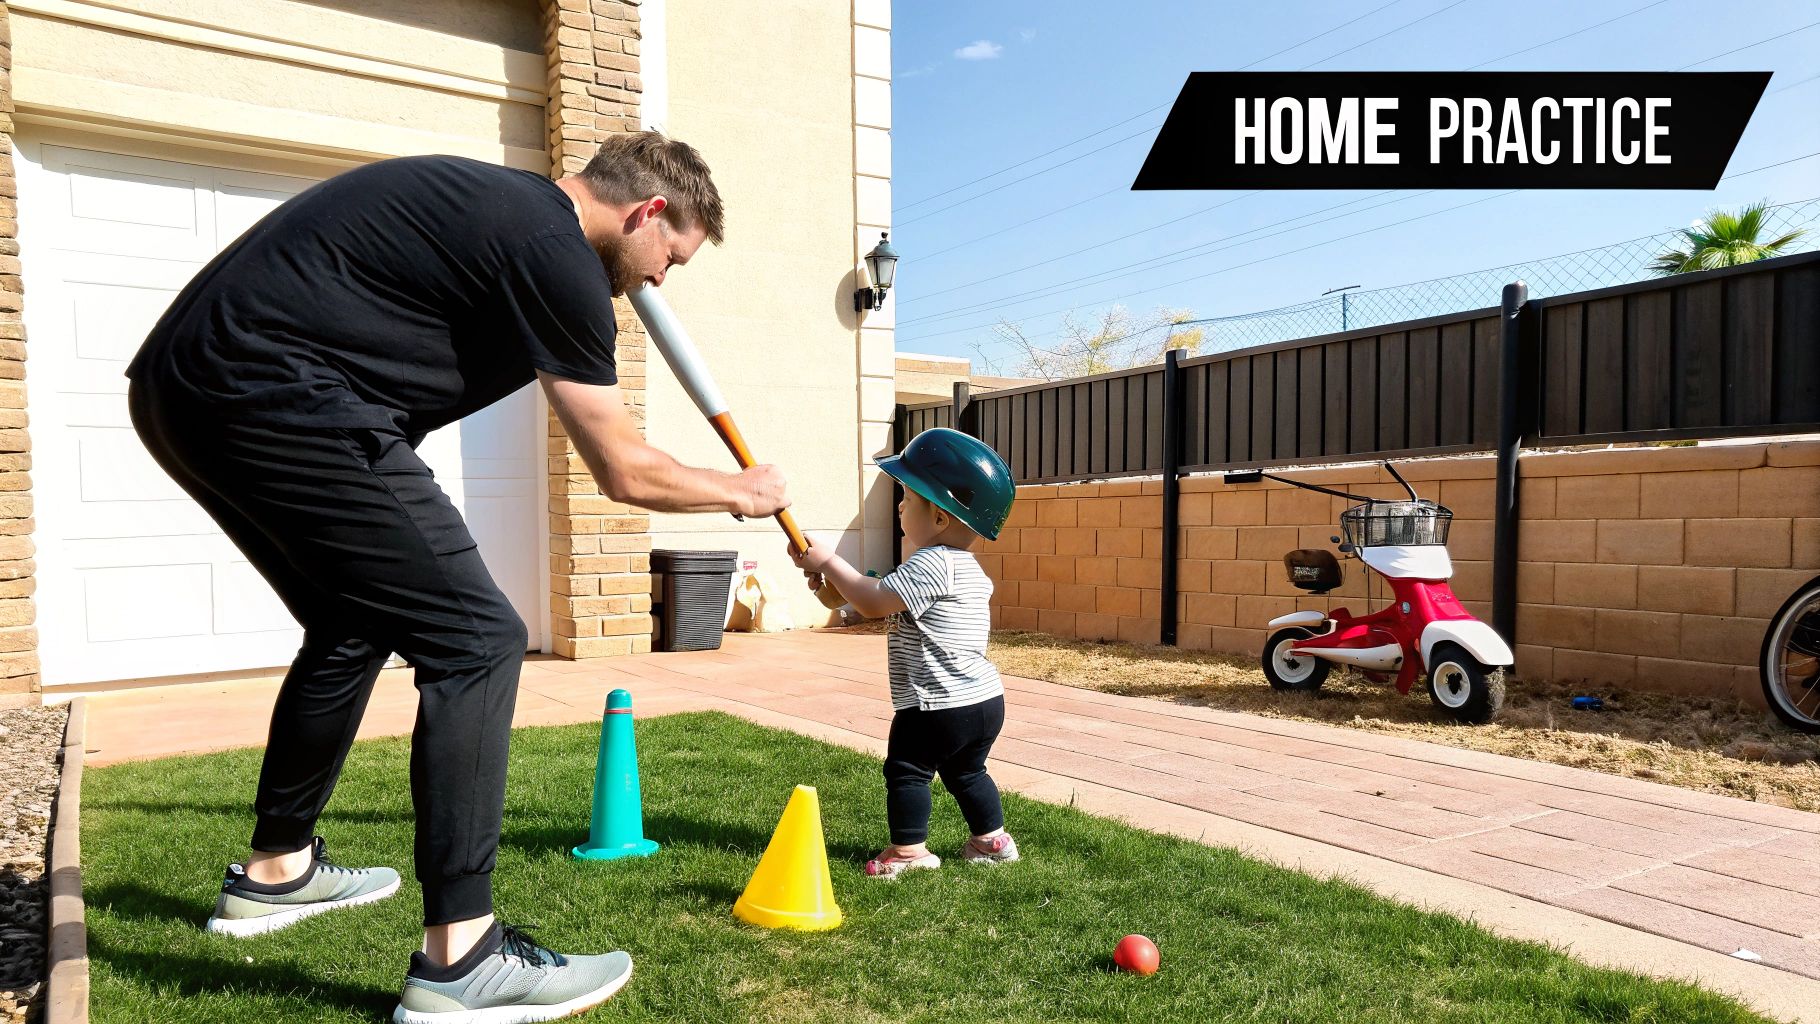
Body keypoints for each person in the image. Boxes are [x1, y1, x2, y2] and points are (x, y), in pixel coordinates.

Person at [126, 132, 788, 1022]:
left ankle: (277, 871)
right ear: (648, 212)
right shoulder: (553, 250)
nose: (660, 283)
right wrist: (740, 493)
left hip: (184, 388)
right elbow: (624, 471)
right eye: (670, 257)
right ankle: (462, 961)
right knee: (478, 639)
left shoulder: (504, 215)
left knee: (350, 621)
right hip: (282, 394)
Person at [790, 428, 1022, 878]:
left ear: (938, 516)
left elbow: (875, 600)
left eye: (909, 497)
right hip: (983, 701)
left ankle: (908, 852)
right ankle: (991, 839)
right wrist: (825, 584)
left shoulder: (931, 563)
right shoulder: (961, 568)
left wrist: (829, 562)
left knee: (908, 769)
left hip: (936, 703)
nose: (899, 504)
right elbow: (863, 602)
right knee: (967, 771)